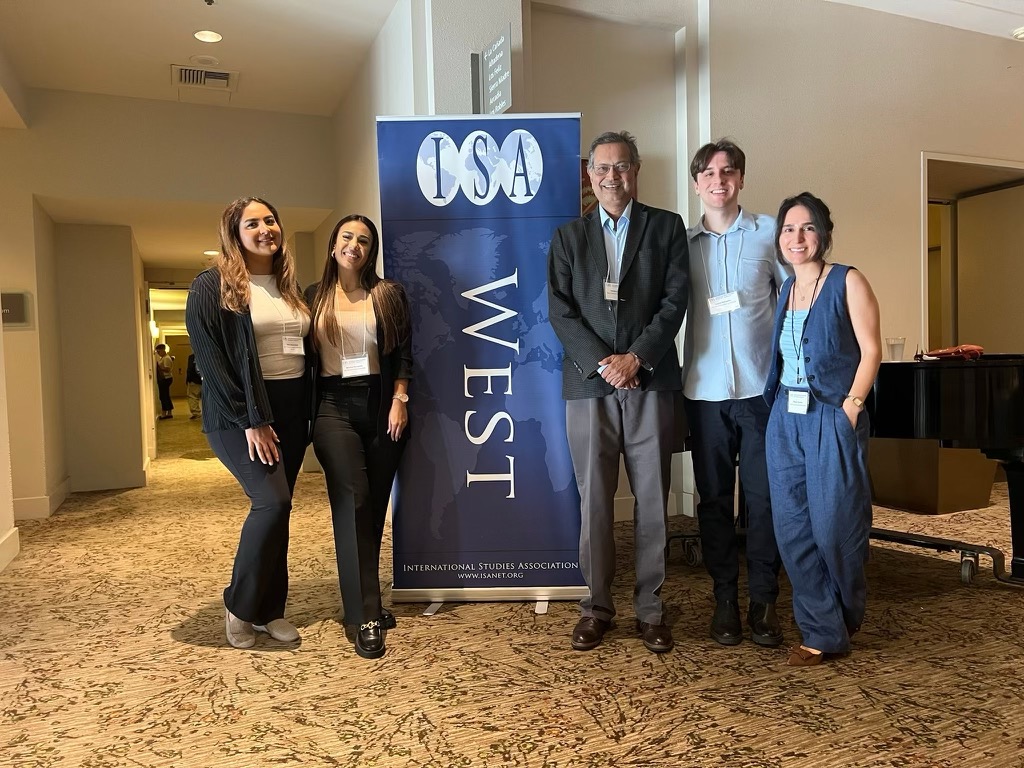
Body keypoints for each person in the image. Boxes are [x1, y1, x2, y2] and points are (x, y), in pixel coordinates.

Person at [547, 131, 689, 654]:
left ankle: (651, 609)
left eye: (622, 167)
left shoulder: (667, 227)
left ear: (637, 170)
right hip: (588, 385)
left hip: (650, 379)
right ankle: (596, 607)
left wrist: (637, 358)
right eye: (603, 168)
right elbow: (559, 310)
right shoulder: (568, 238)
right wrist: (604, 364)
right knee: (594, 504)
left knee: (652, 501)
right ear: (590, 175)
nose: (612, 176)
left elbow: (675, 301)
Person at [185, 196, 311, 650]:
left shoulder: (288, 286)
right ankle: (239, 605)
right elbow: (212, 365)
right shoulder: (211, 286)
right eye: (252, 223)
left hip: (293, 412)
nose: (266, 229)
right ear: (234, 233)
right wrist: (252, 420)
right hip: (241, 415)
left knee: (282, 512)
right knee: (271, 503)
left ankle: (269, 610)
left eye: (271, 220)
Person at [762, 192, 881, 666]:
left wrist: (851, 407)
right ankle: (821, 631)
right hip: (784, 422)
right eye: (789, 229)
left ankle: (846, 611)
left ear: (823, 233)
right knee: (792, 530)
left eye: (807, 228)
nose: (797, 237)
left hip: (831, 415)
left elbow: (871, 350)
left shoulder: (848, 281)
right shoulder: (786, 289)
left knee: (837, 527)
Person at [683, 140, 791, 648]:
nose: (718, 180)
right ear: (696, 182)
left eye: (728, 171)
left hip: (760, 392)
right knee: (712, 501)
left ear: (741, 179)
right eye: (708, 172)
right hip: (703, 394)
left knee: (765, 500)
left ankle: (764, 601)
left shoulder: (771, 233)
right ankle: (724, 599)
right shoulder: (682, 246)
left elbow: (795, 301)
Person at [305, 214, 412, 660]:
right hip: (332, 407)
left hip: (382, 404)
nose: (355, 245)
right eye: (347, 237)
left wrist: (400, 398)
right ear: (333, 245)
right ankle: (365, 613)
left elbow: (405, 351)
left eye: (364, 240)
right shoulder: (311, 297)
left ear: (372, 250)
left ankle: (363, 594)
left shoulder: (388, 294)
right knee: (353, 501)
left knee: (371, 510)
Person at [155, 344, 174, 419]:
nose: (158, 353)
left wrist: (159, 367)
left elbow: (167, 369)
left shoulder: (166, 358)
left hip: (165, 379)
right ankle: (169, 412)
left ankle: (164, 413)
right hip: (166, 379)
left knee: (163, 396)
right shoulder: (163, 358)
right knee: (166, 396)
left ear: (163, 350)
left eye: (159, 351)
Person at [186, 353, 203, 419]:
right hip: (205, 380)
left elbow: (190, 369)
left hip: (194, 380)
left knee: (192, 396)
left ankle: (196, 413)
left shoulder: (192, 357)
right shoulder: (208, 355)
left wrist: (188, 379)